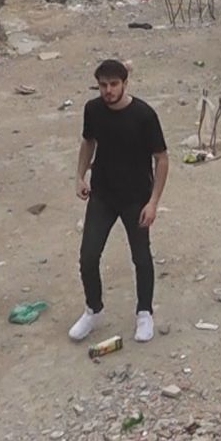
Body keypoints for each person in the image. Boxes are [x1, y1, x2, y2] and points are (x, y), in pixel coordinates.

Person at [70, 59, 168, 343]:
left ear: (125, 83)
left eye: (114, 84)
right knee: (88, 256)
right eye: (103, 85)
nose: (108, 91)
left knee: (140, 257)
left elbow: (161, 158)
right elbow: (88, 141)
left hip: (136, 198)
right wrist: (79, 175)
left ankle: (144, 313)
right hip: (102, 195)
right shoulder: (93, 109)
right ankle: (93, 310)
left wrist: (153, 202)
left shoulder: (144, 115)